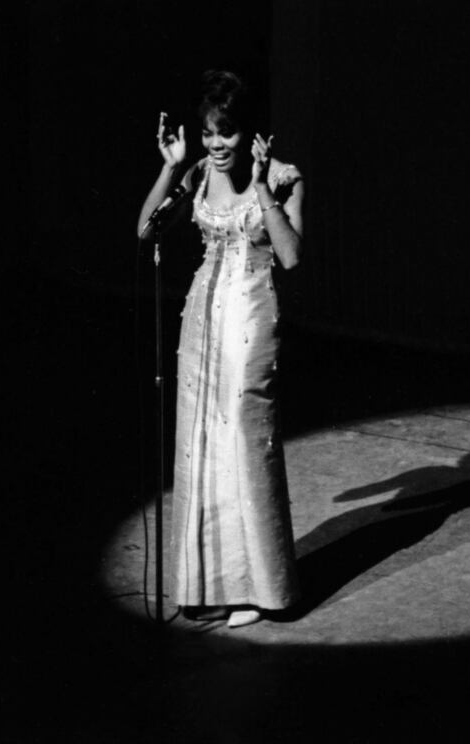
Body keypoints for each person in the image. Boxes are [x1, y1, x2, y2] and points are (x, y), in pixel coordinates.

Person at [137, 70, 304, 627]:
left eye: (226, 133)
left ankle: (264, 587)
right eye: (209, 133)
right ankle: (212, 582)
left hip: (252, 317)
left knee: (242, 435)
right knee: (201, 439)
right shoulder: (198, 172)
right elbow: (146, 231)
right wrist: (170, 166)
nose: (216, 145)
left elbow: (292, 257)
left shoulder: (282, 177)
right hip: (202, 318)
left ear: (247, 130)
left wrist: (261, 188)